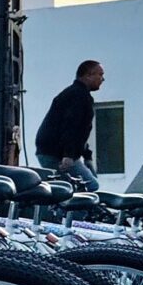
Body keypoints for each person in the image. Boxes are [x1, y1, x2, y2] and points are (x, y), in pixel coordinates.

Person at [35, 59, 104, 190]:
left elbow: (80, 131)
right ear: (88, 75)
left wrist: (86, 155)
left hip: (53, 151)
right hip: (56, 153)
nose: (102, 79)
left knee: (81, 185)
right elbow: (71, 127)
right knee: (90, 185)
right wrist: (68, 155)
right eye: (100, 75)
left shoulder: (76, 94)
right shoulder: (78, 96)